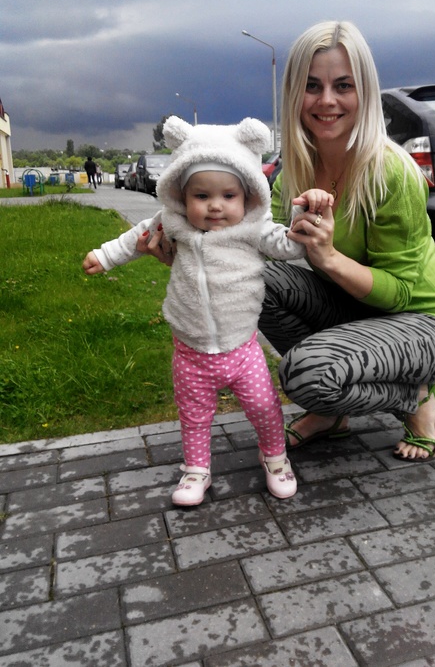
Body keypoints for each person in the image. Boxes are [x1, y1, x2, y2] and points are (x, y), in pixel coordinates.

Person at [82, 116, 330, 506]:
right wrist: (105, 255)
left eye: (228, 195)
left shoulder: (253, 228)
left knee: (264, 408)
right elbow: (137, 236)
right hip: (190, 350)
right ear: (182, 196)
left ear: (247, 196)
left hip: (242, 349)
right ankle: (196, 470)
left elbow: (290, 245)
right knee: (194, 416)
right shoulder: (173, 223)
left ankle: (275, 458)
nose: (215, 206)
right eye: (201, 196)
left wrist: (307, 221)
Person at [256, 20, 435, 462]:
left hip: (427, 321)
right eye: (312, 86)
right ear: (294, 93)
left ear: (365, 92)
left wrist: (328, 258)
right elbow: (261, 242)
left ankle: (417, 396)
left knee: (306, 374)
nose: (326, 100)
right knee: (251, 281)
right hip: (358, 309)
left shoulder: (392, 171)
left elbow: (401, 293)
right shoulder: (295, 168)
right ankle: (332, 412)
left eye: (343, 86)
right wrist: (192, 252)